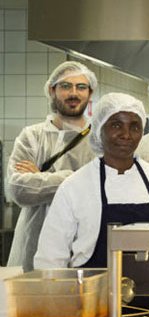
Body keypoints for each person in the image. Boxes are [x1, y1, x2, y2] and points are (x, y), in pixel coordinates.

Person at [34, 93, 149, 296]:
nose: (126, 134)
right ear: (100, 130)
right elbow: (51, 257)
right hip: (91, 304)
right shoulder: (75, 186)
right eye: (116, 125)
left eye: (134, 126)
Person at [6, 61, 98, 272]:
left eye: (81, 87)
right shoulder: (31, 137)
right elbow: (19, 190)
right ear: (51, 90)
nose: (74, 93)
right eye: (66, 86)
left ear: (90, 92)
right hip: (36, 242)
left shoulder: (98, 140)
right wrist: (76, 178)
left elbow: (103, 187)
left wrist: (40, 178)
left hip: (85, 244)